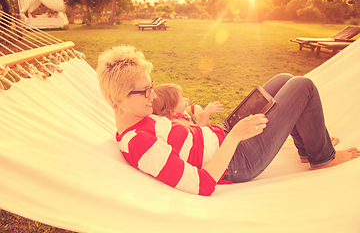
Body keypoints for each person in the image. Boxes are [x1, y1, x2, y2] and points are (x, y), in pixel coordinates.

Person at [96, 45, 360, 196]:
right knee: (303, 86)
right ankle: (322, 157)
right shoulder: (140, 145)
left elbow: (184, 136)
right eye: (145, 91)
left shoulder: (139, 116)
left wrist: (222, 129)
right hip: (238, 160)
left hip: (224, 133)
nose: (152, 95)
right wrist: (235, 137)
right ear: (119, 99)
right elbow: (201, 184)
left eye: (151, 86)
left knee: (284, 79)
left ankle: (308, 148)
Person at [152, 83, 223, 126]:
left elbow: (186, 111)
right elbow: (199, 130)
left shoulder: (176, 113)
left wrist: (194, 108)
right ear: (172, 109)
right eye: (182, 100)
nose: (186, 100)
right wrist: (206, 113)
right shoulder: (180, 122)